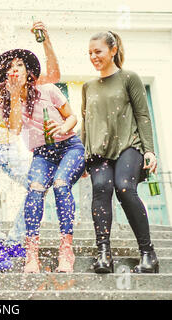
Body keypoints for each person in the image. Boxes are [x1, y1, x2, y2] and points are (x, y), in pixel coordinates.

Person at [0, 21, 61, 272]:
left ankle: (15, 240)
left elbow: (53, 76)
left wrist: (46, 41)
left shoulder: (11, 71)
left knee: (37, 185)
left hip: (9, 141)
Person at [0, 49, 85, 273]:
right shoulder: (7, 104)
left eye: (19, 65)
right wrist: (14, 95)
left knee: (61, 185)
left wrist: (63, 127)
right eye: (9, 68)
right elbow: (14, 129)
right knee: (34, 190)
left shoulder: (48, 90)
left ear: (28, 71)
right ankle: (32, 254)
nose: (14, 70)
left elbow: (73, 116)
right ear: (5, 78)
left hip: (69, 147)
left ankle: (66, 251)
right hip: (42, 154)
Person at [82, 31, 159, 273]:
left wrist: (150, 151)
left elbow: (142, 115)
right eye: (90, 53)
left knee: (124, 186)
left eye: (99, 51)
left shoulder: (129, 78)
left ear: (113, 50)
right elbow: (86, 123)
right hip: (98, 151)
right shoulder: (88, 86)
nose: (94, 56)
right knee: (101, 188)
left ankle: (148, 254)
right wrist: (84, 157)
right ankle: (104, 253)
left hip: (128, 144)